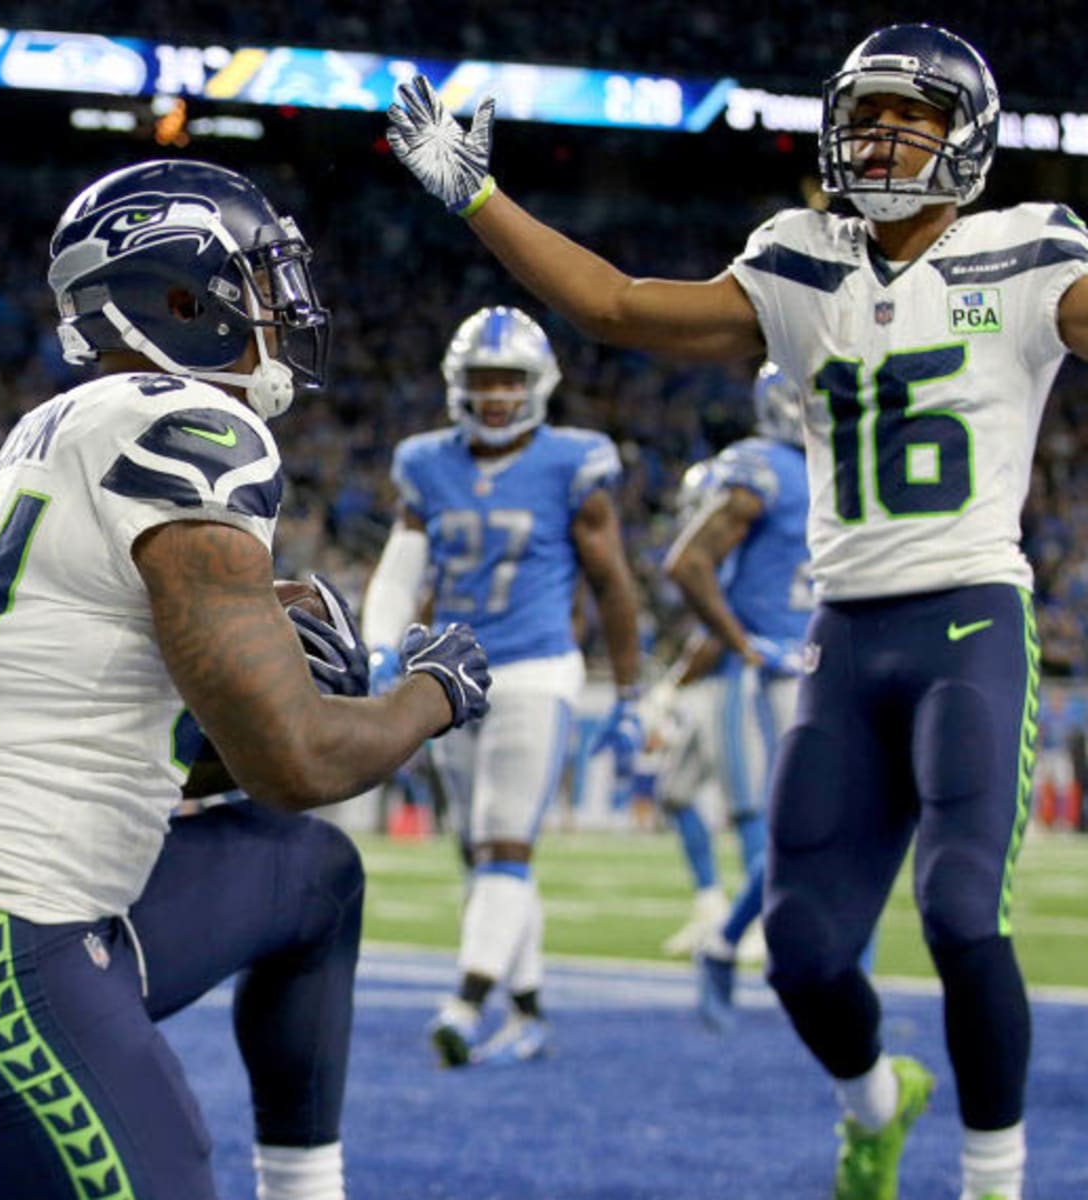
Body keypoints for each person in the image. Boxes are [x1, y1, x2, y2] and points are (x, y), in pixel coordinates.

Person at [385, 23, 1088, 1199]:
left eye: (910, 118)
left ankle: (993, 1179)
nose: (881, 137)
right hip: (843, 635)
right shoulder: (797, 260)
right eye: (866, 114)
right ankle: (875, 1101)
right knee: (804, 956)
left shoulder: (1030, 251)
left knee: (964, 913)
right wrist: (479, 199)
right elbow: (612, 303)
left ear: (965, 138)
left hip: (971, 617)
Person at [0, 158, 492, 1200]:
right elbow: (295, 761)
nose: (286, 306)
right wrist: (431, 691)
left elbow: (110, 719)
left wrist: (249, 657)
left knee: (312, 877)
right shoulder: (190, 429)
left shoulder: (68, 425)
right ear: (180, 299)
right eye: (262, 278)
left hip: (28, 900)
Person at [362, 304, 642, 1067]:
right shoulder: (425, 462)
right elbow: (403, 562)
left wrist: (629, 692)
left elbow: (614, 584)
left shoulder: (574, 463)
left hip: (534, 666)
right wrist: (384, 648)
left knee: (504, 840)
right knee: (476, 851)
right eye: (483, 380)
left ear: (538, 385)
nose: (495, 396)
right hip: (450, 674)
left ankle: (466, 1003)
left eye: (509, 380)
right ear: (459, 385)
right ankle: (528, 1009)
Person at [656, 362, 812, 1031]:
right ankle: (738, 933)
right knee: (782, 822)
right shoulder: (762, 467)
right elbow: (691, 563)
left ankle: (733, 936)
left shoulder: (846, 461)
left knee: (829, 826)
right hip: (767, 668)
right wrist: (742, 644)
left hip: (822, 661)